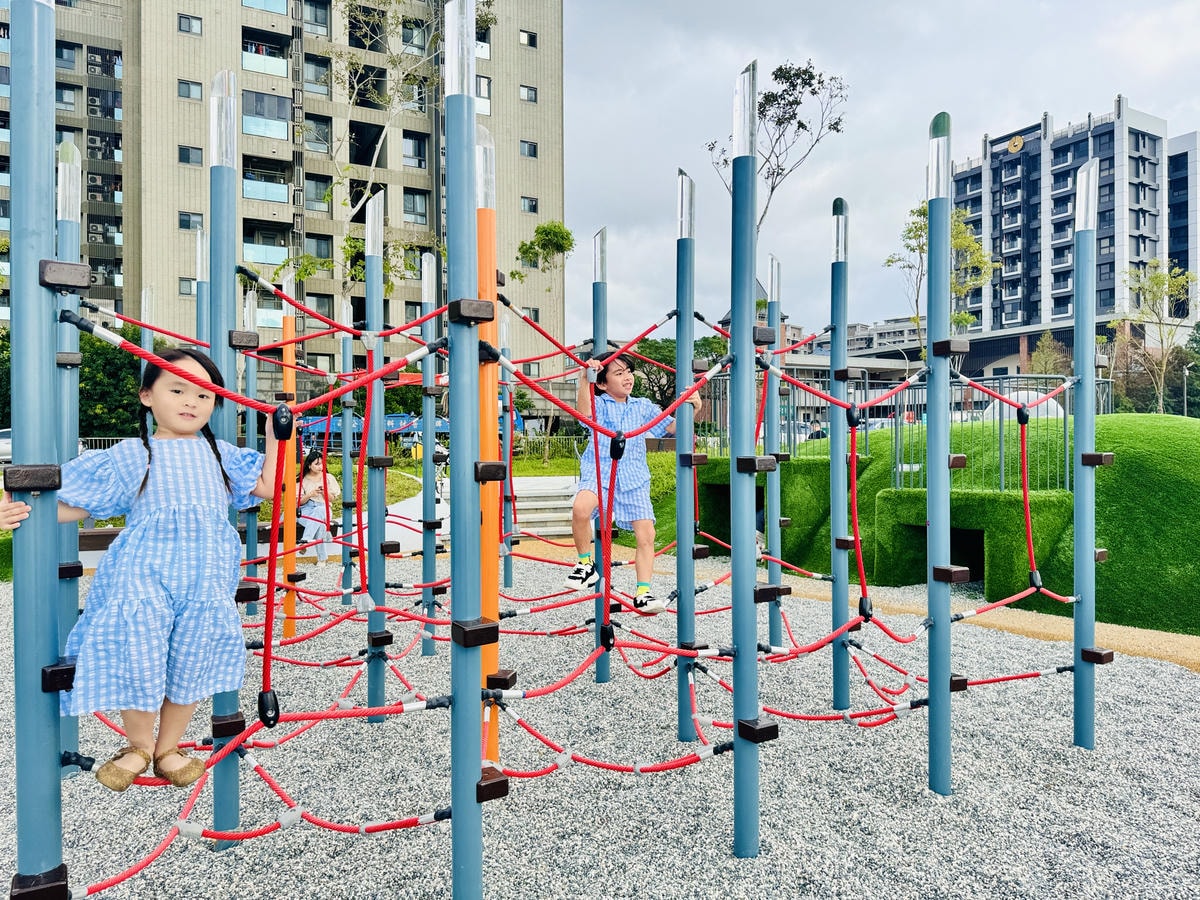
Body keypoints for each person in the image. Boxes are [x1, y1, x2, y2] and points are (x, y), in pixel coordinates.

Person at [0, 348, 279, 792]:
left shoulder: (221, 454)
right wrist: (14, 506)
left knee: (193, 651)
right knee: (140, 645)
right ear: (147, 396)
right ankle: (137, 746)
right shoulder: (136, 453)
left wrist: (278, 434)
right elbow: (71, 499)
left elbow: (266, 486)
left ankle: (168, 748)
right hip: (145, 570)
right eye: (177, 389)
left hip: (205, 576)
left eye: (204, 395)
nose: (191, 401)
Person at [564, 352, 702, 614]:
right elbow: (584, 414)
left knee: (646, 535)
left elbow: (673, 428)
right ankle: (585, 564)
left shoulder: (642, 406)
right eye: (619, 373)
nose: (628, 378)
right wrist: (585, 378)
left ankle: (643, 592)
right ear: (603, 383)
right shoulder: (600, 403)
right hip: (599, 470)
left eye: (629, 372)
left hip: (633, 477)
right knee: (581, 509)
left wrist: (693, 409)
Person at [297, 449, 339, 566]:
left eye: (322, 463)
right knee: (319, 524)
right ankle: (322, 559)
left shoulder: (328, 477)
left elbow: (332, 499)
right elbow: (298, 503)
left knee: (319, 511)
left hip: (324, 508)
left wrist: (324, 492)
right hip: (306, 509)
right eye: (317, 464)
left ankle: (305, 542)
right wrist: (310, 494)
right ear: (309, 465)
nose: (320, 466)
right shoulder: (301, 479)